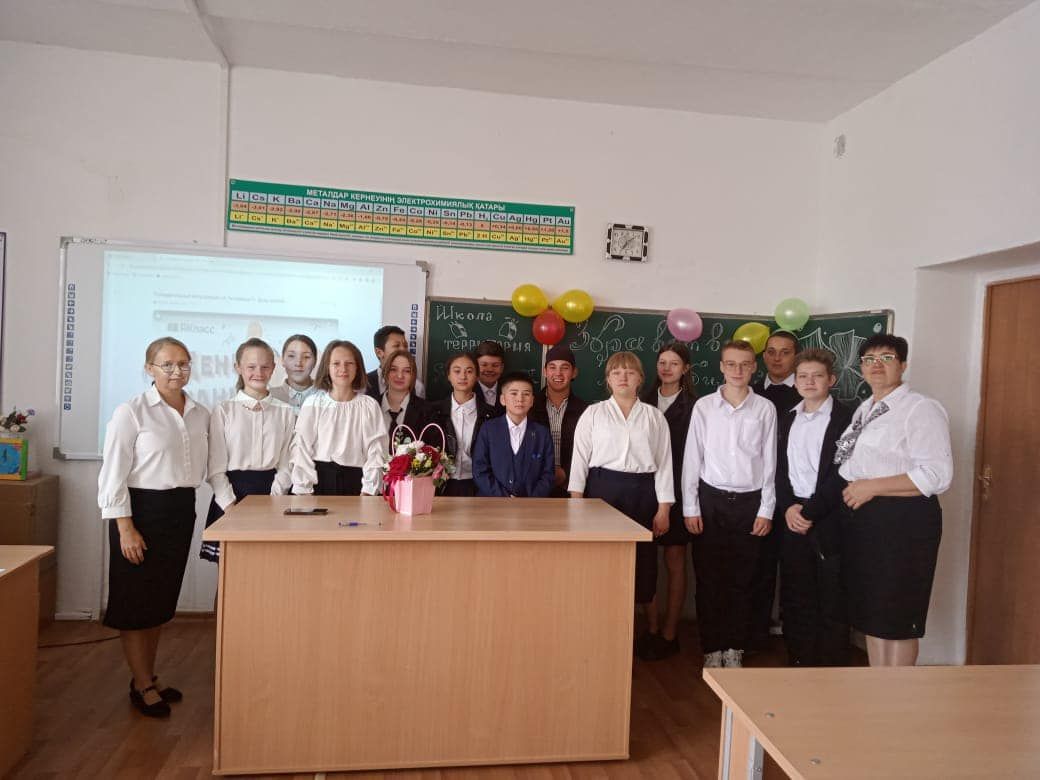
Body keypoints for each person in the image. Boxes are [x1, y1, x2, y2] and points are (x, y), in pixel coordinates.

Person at [97, 337, 209, 718]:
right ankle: (141, 684)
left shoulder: (199, 412)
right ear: (149, 369)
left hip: (179, 511)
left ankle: (148, 676)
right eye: (167, 364)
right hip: (139, 513)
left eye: (183, 363)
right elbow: (112, 475)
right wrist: (125, 528)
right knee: (135, 603)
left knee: (159, 602)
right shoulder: (131, 412)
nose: (177, 371)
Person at [834, 334, 952, 666]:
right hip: (867, 519)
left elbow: (937, 475)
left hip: (904, 521)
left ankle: (899, 692)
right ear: (860, 368)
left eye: (886, 358)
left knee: (898, 616)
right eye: (869, 360)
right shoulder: (866, 409)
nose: (877, 365)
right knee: (874, 613)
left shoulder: (920, 408)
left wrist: (871, 487)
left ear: (903, 365)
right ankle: (879, 687)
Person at [683, 339, 777, 669]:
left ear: (754, 367)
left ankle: (735, 646)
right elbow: (692, 458)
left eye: (745, 364)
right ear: (721, 367)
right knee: (709, 579)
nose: (738, 370)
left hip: (750, 503)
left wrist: (766, 509)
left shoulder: (765, 409)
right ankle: (712, 646)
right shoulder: (704, 407)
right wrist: (691, 507)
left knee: (743, 579)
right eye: (731, 364)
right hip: (711, 501)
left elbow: (770, 462)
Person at [569, 352, 673, 647]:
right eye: (616, 372)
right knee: (602, 562)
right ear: (608, 380)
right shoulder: (594, 413)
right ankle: (600, 629)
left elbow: (664, 464)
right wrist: (576, 505)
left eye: (630, 372)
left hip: (643, 493)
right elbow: (579, 460)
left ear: (641, 378)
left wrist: (664, 508)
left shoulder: (654, 417)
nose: (623, 377)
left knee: (644, 564)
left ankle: (651, 632)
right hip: (602, 492)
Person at [774, 348, 853, 666]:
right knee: (797, 592)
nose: (809, 381)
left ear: (831, 380)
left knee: (832, 594)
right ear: (794, 381)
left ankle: (831, 665)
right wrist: (788, 507)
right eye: (803, 376)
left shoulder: (848, 420)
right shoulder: (787, 418)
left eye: (817, 376)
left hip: (829, 516)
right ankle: (799, 658)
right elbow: (778, 468)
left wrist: (810, 512)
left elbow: (843, 472)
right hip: (793, 515)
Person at [201, 338, 295, 564]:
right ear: (238, 368)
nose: (258, 373)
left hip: (273, 497)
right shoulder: (223, 410)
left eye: (265, 366)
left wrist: (274, 499)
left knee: (270, 569)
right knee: (231, 573)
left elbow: (287, 463)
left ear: (273, 368)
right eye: (251, 367)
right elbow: (215, 468)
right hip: (232, 497)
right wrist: (230, 506)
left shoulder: (285, 412)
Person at [637, 342, 697, 660]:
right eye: (662, 362)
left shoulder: (696, 407)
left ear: (685, 369)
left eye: (674, 363)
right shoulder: (641, 400)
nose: (667, 368)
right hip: (642, 491)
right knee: (645, 564)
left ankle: (670, 633)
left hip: (679, 490)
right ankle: (651, 629)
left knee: (674, 561)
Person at [749, 329, 801, 648]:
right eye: (771, 351)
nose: (777, 358)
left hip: (797, 496)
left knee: (796, 569)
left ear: (796, 356)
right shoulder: (750, 393)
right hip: (759, 495)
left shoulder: (808, 394)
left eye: (785, 352)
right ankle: (756, 634)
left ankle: (795, 638)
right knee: (759, 567)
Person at [291, 340, 387, 496]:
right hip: (318, 483)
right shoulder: (313, 403)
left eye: (349, 363)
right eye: (336, 363)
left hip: (357, 484)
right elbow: (301, 448)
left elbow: (376, 451)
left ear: (357, 367)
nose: (343, 369)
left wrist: (369, 490)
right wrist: (303, 488)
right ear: (327, 367)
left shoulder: (369, 406)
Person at [425, 352, 497, 496]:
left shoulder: (491, 414)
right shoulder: (432, 412)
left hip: (479, 486)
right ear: (448, 376)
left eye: (469, 371)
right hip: (440, 485)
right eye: (457, 371)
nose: (463, 376)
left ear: (477, 376)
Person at [472, 372, 554, 497]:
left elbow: (548, 474)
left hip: (532, 504)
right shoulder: (488, 429)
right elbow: (480, 470)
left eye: (526, 394)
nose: (520, 399)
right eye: (514, 393)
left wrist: (530, 500)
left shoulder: (542, 433)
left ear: (532, 401)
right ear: (503, 399)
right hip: (492, 503)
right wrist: (504, 497)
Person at [529, 345, 589, 498]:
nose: (558, 373)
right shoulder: (528, 406)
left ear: (574, 372)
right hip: (534, 485)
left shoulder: (586, 411)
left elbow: (589, 450)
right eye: (552, 367)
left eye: (565, 368)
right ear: (545, 371)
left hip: (572, 486)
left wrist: (565, 473)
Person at [365, 325, 426, 400]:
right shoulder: (363, 384)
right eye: (397, 346)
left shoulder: (417, 387)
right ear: (379, 352)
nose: (403, 350)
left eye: (405, 346)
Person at [379, 348, 427, 441]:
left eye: (407, 371)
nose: (400, 376)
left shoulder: (427, 412)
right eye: (393, 369)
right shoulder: (370, 407)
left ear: (413, 376)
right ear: (386, 372)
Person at [269, 334, 319, 413]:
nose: (298, 363)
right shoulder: (269, 396)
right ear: (282, 360)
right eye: (291, 356)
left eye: (306, 357)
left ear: (315, 361)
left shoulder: (327, 396)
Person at [474, 340, 506, 415]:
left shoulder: (510, 391)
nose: (489, 369)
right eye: (484, 365)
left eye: (495, 365)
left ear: (502, 368)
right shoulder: (467, 392)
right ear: (475, 366)